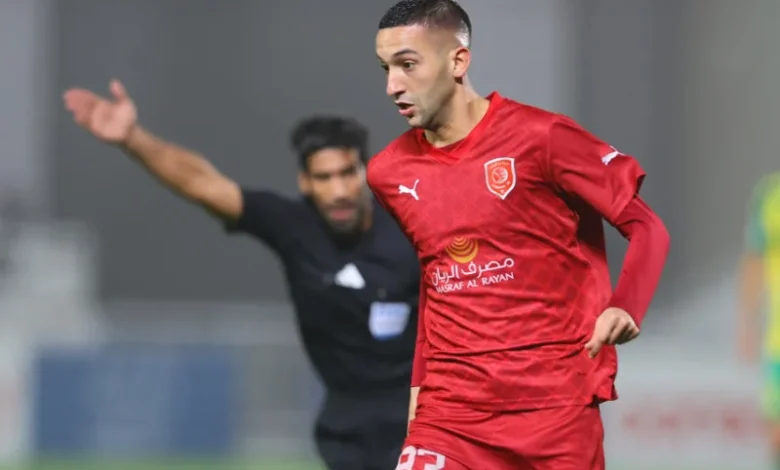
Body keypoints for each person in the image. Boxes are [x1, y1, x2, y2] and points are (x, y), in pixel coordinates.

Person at [367, 1, 671, 469]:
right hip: (450, 414)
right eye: (385, 68)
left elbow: (648, 227)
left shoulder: (543, 137)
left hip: (555, 411)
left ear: (458, 61)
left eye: (407, 65)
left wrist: (626, 304)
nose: (393, 85)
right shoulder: (389, 173)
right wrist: (418, 391)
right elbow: (437, 279)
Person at [61, 83, 420, 470]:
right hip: (346, 431)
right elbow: (203, 184)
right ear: (304, 182)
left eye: (347, 173)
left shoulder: (411, 228)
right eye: (324, 177)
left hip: (421, 420)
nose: (338, 191)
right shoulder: (294, 227)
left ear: (366, 171)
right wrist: (133, 138)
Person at [738, 173, 780, 468]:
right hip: (777, 342)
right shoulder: (771, 197)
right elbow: (754, 261)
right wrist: (748, 323)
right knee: (776, 432)